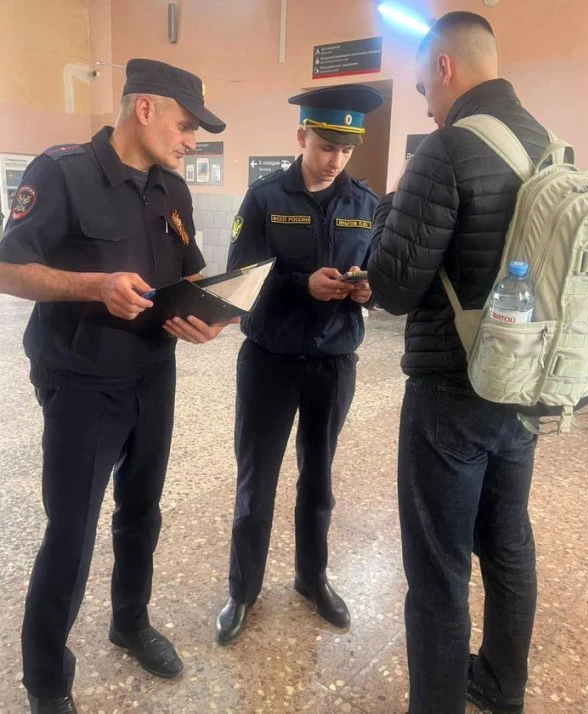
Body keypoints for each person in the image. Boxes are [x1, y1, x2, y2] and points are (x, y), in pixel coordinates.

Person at [0, 59, 231, 714]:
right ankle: (47, 682)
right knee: (71, 533)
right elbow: (7, 267)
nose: (191, 141)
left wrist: (204, 315)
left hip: (154, 372)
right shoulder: (63, 172)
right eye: (185, 126)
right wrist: (94, 286)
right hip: (81, 382)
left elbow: (187, 273)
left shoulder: (171, 190)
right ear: (144, 109)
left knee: (141, 510)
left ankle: (129, 622)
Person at [368, 12, 549, 714]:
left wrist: (389, 209)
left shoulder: (445, 150)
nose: (426, 104)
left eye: (423, 87)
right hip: (525, 388)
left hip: (452, 390)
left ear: (445, 67)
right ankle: (502, 685)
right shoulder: (548, 147)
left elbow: (391, 287)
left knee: (439, 567)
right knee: (507, 542)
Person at [215, 84, 384, 644]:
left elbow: (376, 272)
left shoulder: (364, 203)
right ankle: (243, 591)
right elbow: (239, 282)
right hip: (270, 361)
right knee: (256, 480)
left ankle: (312, 579)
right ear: (301, 137)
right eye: (326, 146)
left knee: (319, 478)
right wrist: (299, 285)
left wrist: (369, 292)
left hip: (333, 362)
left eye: (346, 149)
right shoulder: (265, 198)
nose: (335, 160)